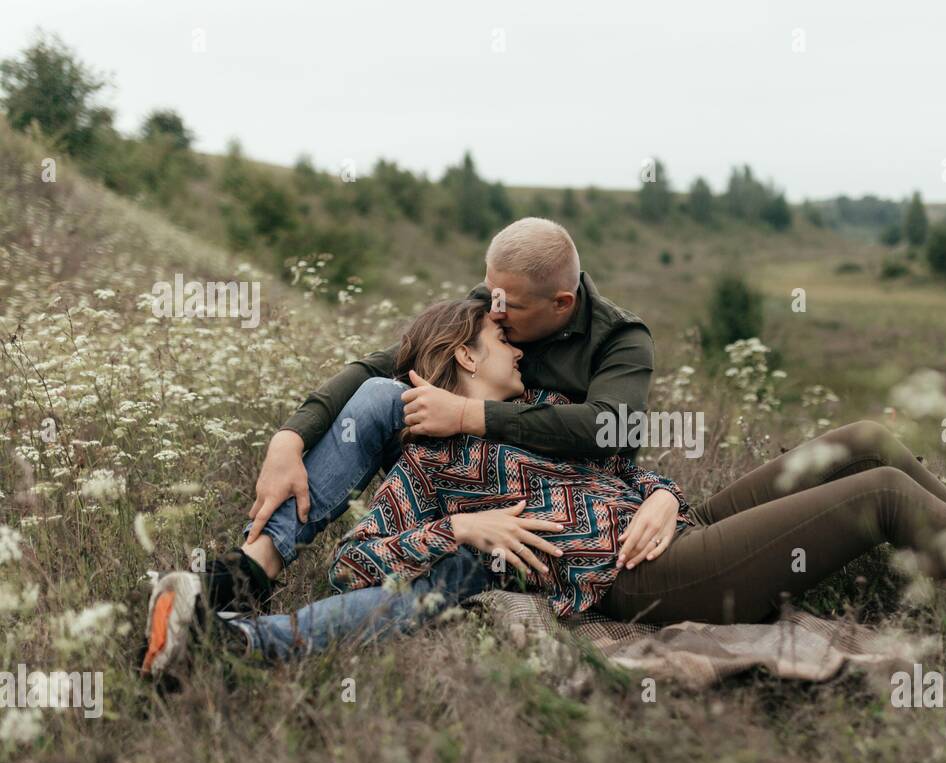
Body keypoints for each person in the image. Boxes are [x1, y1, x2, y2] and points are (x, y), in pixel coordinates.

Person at [141, 298, 946, 677]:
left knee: (865, 438)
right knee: (877, 496)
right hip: (639, 579)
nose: (518, 349)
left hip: (665, 524)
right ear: (457, 356)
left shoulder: (524, 409)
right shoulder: (429, 458)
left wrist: (657, 492)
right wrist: (468, 527)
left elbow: (618, 460)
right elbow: (363, 559)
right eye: (500, 340)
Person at [146, 217, 659, 640]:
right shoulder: (498, 298)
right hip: (453, 475)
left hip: (549, 499)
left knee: (456, 570)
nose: (493, 310)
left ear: (561, 305)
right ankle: (251, 570)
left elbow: (607, 429)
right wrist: (290, 436)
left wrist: (466, 415)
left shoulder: (618, 339)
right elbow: (389, 363)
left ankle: (240, 641)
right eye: (491, 297)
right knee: (382, 395)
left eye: (509, 311)